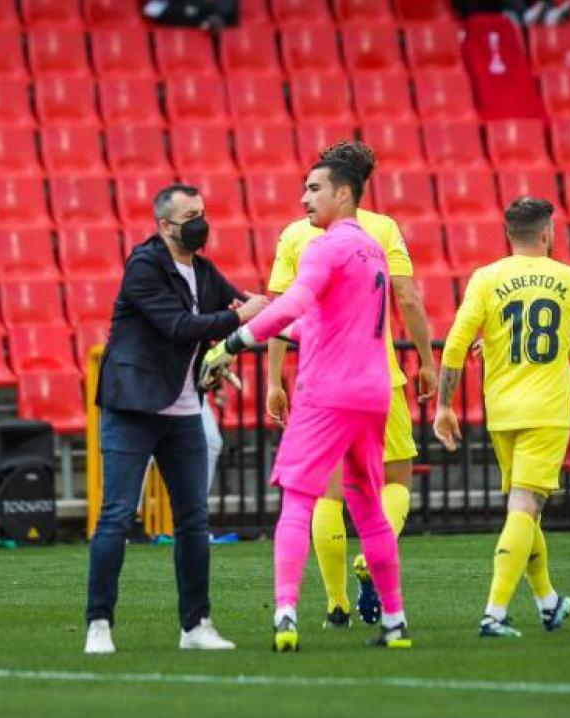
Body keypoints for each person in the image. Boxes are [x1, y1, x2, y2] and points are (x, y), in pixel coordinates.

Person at [203, 158, 411, 653]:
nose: (304, 198)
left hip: (328, 392)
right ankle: (396, 622)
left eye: (315, 188)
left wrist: (231, 343)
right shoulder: (371, 247)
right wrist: (269, 318)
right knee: (369, 505)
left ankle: (286, 613)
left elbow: (294, 303)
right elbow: (315, 324)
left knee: (300, 499)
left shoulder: (324, 246)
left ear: (344, 193)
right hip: (373, 392)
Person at [85, 184, 268, 655]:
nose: (199, 222)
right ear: (164, 226)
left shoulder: (204, 271)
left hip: (185, 407)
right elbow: (178, 326)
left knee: (193, 520)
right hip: (135, 406)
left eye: (202, 213)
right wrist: (237, 321)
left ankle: (195, 625)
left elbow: (241, 308)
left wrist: (259, 313)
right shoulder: (143, 267)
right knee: (117, 515)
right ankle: (99, 624)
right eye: (190, 215)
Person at [265, 140, 437, 629]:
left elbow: (278, 303)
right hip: (379, 379)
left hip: (320, 384)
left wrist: (277, 377)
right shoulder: (380, 228)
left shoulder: (297, 234)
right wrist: (426, 359)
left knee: (326, 495)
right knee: (397, 480)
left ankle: (336, 603)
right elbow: (406, 295)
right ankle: (374, 564)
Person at [432, 197, 570, 639]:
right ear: (546, 233)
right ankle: (494, 613)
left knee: (526, 509)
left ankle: (548, 602)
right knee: (525, 507)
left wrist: (445, 405)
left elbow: (457, 344)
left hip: (502, 411)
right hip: (547, 411)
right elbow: (569, 346)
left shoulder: (486, 278)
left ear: (508, 234)